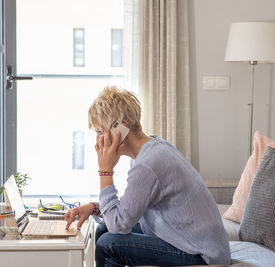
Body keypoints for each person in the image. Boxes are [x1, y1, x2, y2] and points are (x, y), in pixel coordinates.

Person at [64, 86, 231, 267]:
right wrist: (95, 208)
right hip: (188, 239)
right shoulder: (151, 149)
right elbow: (129, 210)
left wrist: (105, 171)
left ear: (121, 128)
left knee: (108, 244)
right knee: (104, 230)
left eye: (100, 131)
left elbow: (118, 225)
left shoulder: (148, 163)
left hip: (202, 254)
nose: (98, 141)